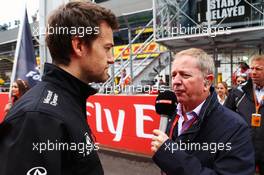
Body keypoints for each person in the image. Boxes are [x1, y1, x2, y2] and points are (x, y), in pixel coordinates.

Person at [0, 1, 118, 175]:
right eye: (107, 48)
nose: (111, 59)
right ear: (78, 46)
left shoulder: (66, 101)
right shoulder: (37, 117)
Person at [151, 48, 254, 175]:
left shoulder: (235, 128)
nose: (176, 82)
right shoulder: (171, 114)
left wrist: (172, 155)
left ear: (207, 82)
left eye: (185, 75)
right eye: (173, 75)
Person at [224, 54, 264, 175]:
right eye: (252, 68)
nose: (253, 72)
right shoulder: (238, 92)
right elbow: (224, 116)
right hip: (243, 150)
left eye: (258, 69)